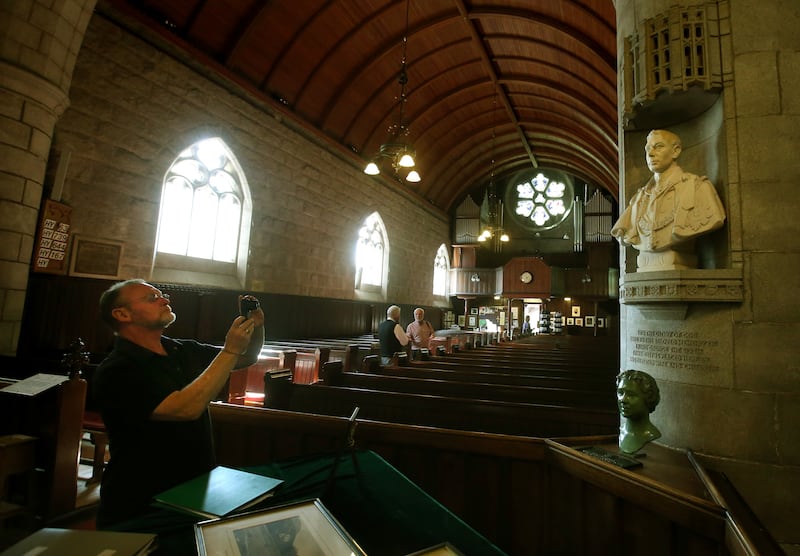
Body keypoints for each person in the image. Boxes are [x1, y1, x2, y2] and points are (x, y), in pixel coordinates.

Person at [93, 279, 265, 540]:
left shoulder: (181, 350)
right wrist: (230, 349)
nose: (165, 300)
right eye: (151, 298)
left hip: (196, 488)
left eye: (162, 295)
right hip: (142, 500)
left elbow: (246, 357)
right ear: (122, 314)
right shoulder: (118, 369)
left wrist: (256, 326)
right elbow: (185, 409)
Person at [611, 129, 726, 271]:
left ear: (675, 151)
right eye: (648, 149)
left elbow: (714, 220)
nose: (650, 153)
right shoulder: (639, 198)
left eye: (658, 146)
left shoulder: (698, 188)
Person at [616, 369, 662, 454]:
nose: (623, 400)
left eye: (631, 395)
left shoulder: (651, 435)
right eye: (620, 393)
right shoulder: (621, 432)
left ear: (648, 399)